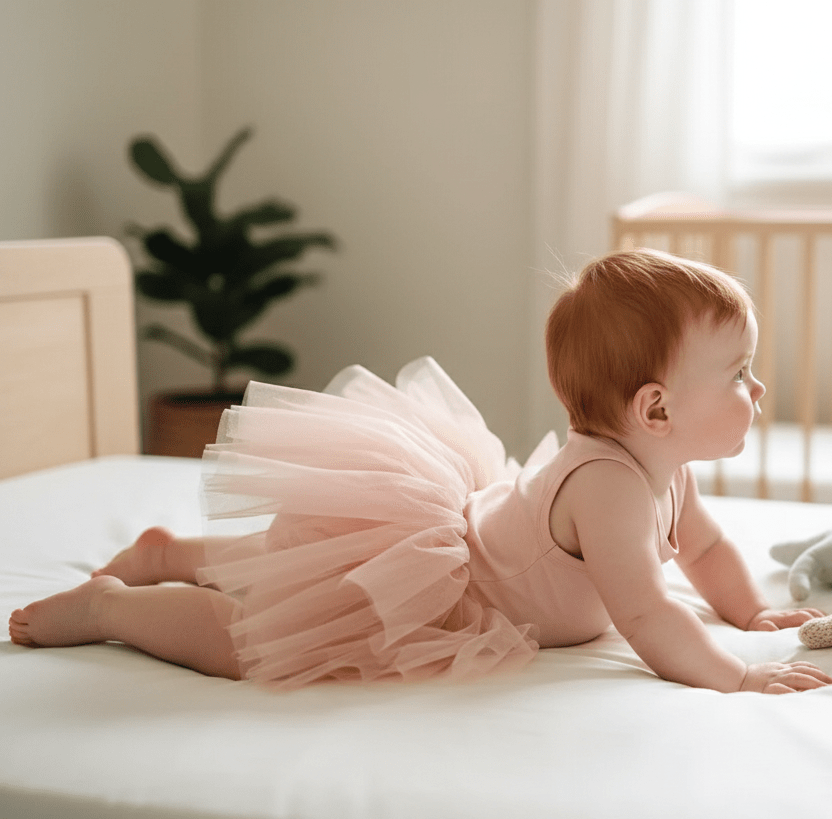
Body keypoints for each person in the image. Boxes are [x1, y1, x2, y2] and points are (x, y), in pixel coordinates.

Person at [9, 249, 831, 694]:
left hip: (457, 534)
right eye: (738, 372)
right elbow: (650, 620)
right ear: (655, 409)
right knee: (259, 641)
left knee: (281, 565)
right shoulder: (610, 486)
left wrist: (752, 613)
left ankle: (171, 552)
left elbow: (707, 553)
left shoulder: (668, 469)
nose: (757, 388)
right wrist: (737, 678)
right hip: (447, 589)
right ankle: (118, 605)